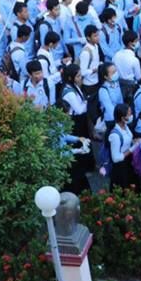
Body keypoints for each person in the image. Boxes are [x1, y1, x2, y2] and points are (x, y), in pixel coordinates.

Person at [58, 65, 92, 195]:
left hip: (79, 121)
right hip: (76, 121)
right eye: (78, 76)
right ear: (70, 78)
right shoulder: (69, 92)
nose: (80, 78)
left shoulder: (74, 87)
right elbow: (79, 109)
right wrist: (87, 103)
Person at [108, 104, 141, 191]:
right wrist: (132, 148)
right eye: (129, 114)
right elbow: (115, 158)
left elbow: (127, 141)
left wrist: (134, 141)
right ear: (122, 118)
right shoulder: (115, 135)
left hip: (130, 163)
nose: (131, 116)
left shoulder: (126, 127)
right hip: (121, 167)